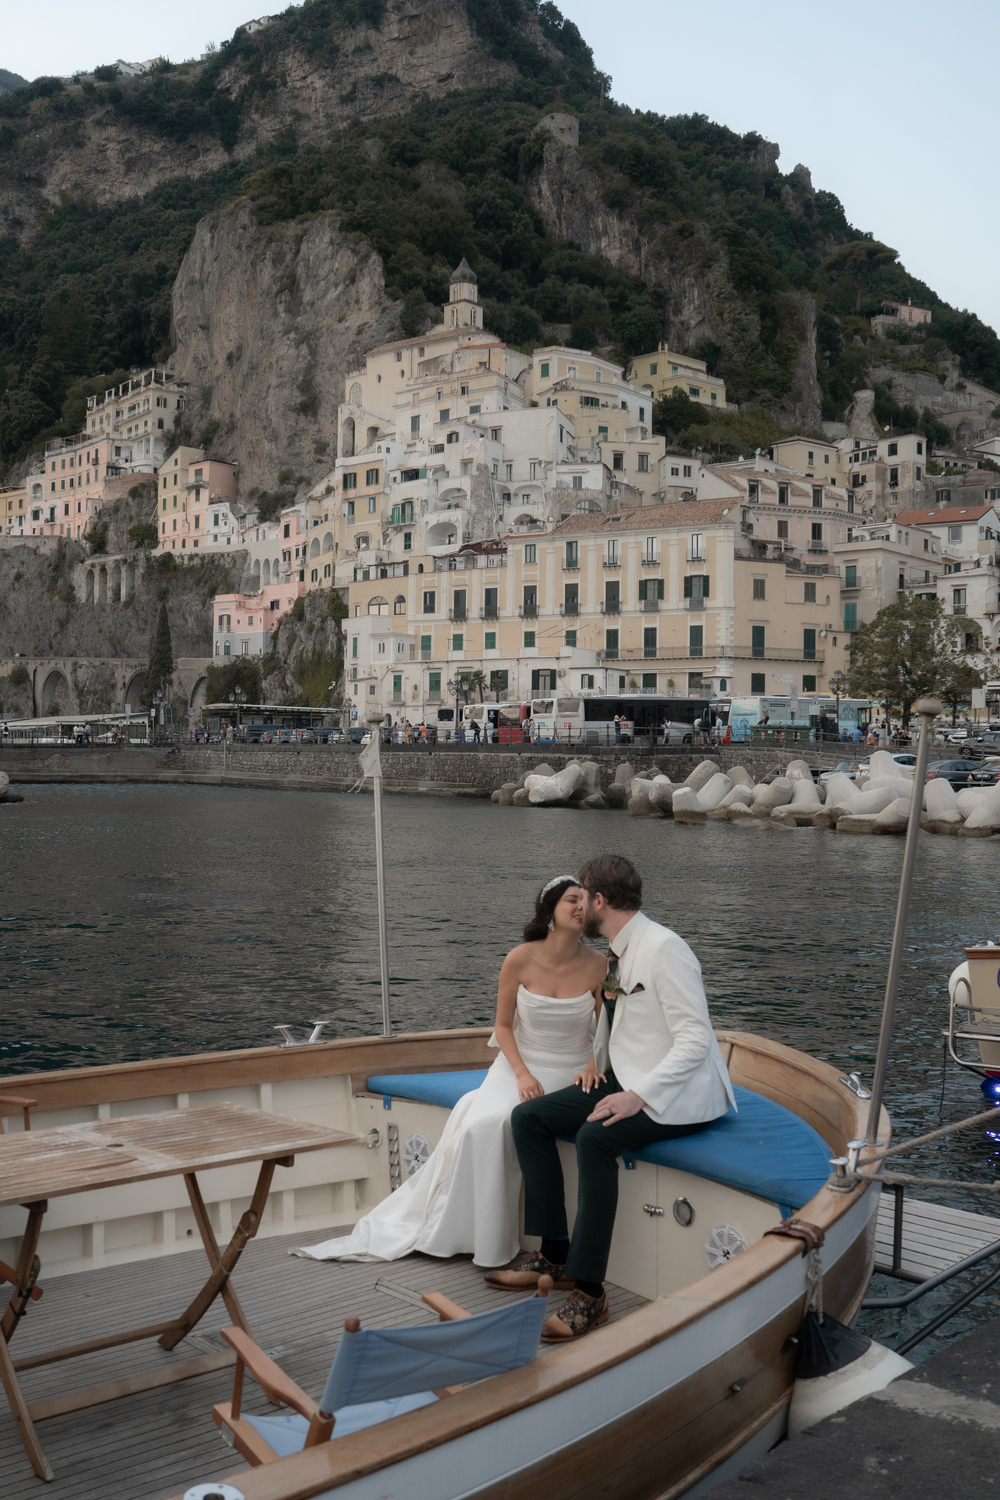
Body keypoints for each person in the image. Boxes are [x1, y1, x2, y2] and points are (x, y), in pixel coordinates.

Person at [295, 877, 606, 1268]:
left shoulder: (600, 966)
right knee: (482, 1126)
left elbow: (607, 1030)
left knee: (509, 1123)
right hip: (518, 1066)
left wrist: (594, 1065)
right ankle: (469, 1235)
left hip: (571, 1070)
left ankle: (515, 1246)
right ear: (550, 912)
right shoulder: (520, 958)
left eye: (585, 902)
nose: (581, 907)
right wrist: (523, 1074)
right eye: (571, 900)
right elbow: (504, 1028)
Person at [490, 855, 734, 1342]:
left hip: (677, 1095)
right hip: (624, 1077)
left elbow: (695, 1041)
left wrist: (635, 1097)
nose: (581, 907)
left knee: (594, 1138)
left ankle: (589, 1292)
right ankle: (554, 1253)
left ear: (601, 901)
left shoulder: (664, 949)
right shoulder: (621, 952)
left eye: (585, 897)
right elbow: (617, 1018)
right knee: (529, 1118)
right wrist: (594, 1066)